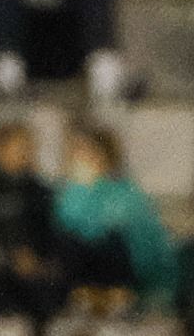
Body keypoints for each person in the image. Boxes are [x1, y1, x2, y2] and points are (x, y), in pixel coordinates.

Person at [52, 128, 177, 316]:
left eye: (91, 153)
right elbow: (64, 227)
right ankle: (85, 298)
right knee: (71, 243)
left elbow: (143, 235)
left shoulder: (127, 192)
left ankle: (116, 298)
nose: (84, 158)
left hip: (123, 267)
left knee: (112, 239)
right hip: (79, 269)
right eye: (78, 153)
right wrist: (83, 191)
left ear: (106, 156)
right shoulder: (67, 193)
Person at [0, 120, 61, 318]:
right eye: (18, 147)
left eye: (28, 147)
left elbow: (50, 231)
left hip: (35, 271)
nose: (24, 154)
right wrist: (12, 255)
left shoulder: (39, 190)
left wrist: (40, 261)